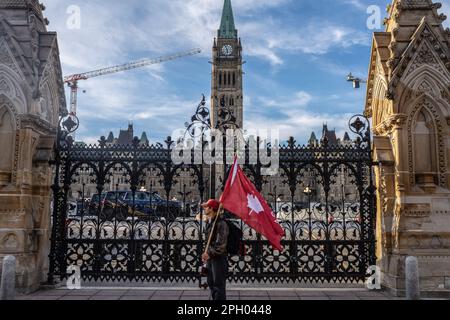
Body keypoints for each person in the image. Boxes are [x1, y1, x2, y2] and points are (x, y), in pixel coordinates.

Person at [201, 199, 229, 301]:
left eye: (206, 207)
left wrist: (209, 253)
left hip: (218, 258)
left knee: (218, 285)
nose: (204, 208)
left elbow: (221, 245)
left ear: (212, 208)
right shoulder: (211, 222)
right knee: (211, 283)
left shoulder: (221, 224)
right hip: (211, 258)